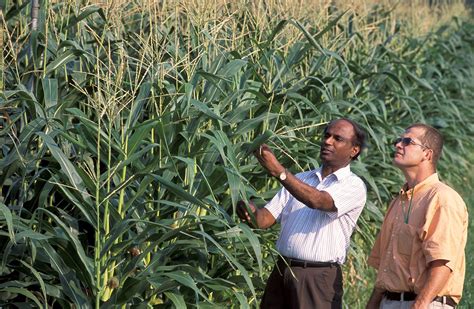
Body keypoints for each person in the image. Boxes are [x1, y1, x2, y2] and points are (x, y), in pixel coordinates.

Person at [237, 118, 367, 309]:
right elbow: (264, 220)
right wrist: (248, 210)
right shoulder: (301, 178)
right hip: (282, 272)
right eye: (327, 135)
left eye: (337, 138)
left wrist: (279, 172)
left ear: (354, 150)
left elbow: (319, 201)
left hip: (317, 278)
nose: (328, 141)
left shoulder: (353, 185)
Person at [366, 123, 468, 309]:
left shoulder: (442, 198)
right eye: (399, 141)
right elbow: (388, 268)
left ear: (427, 154)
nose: (398, 145)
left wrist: (419, 305)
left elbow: (443, 263)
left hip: (426, 303)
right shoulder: (399, 201)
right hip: (389, 302)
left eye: (407, 141)